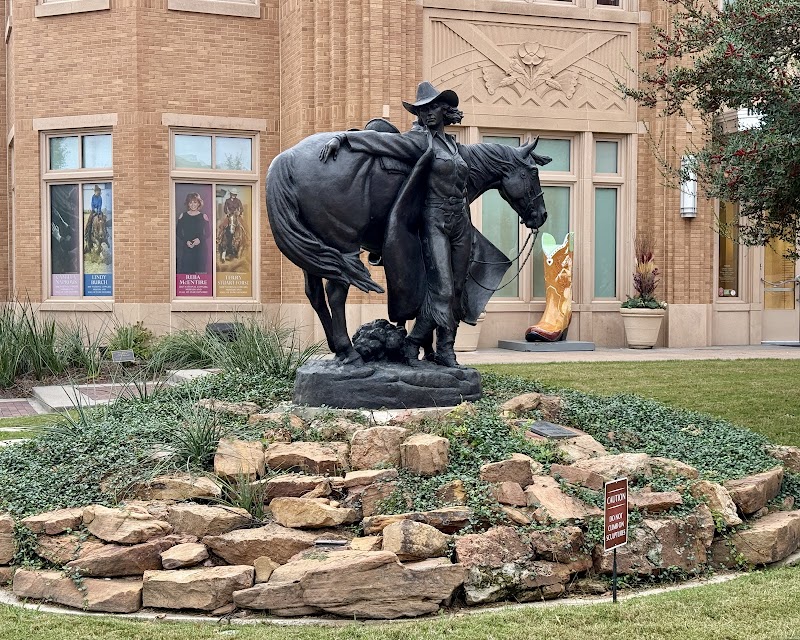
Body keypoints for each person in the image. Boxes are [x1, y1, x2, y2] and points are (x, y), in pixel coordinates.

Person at [319, 82, 471, 367]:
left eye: (432, 108)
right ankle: (415, 341)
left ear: (444, 110)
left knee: (459, 289)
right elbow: (379, 141)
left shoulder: (453, 145)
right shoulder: (418, 141)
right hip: (434, 220)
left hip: (460, 222)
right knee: (443, 288)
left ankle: (446, 349)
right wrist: (343, 138)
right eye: (421, 110)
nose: (426, 115)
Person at [176, 192, 210, 274]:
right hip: (187, 249)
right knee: (186, 272)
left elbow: (208, 233)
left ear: (199, 203)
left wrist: (200, 240)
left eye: (195, 202)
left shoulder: (203, 216)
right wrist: (186, 241)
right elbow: (178, 232)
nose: (193, 204)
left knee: (200, 273)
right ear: (188, 204)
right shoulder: (183, 216)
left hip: (201, 250)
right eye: (190, 202)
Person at [85, 185, 103, 252]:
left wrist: (98, 211)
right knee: (89, 221)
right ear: (95, 191)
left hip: (99, 211)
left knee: (103, 220)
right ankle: (87, 234)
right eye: (97, 191)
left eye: (99, 192)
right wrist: (94, 210)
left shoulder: (100, 198)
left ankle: (105, 233)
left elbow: (100, 205)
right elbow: (92, 204)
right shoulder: (93, 197)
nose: (98, 192)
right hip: (93, 211)